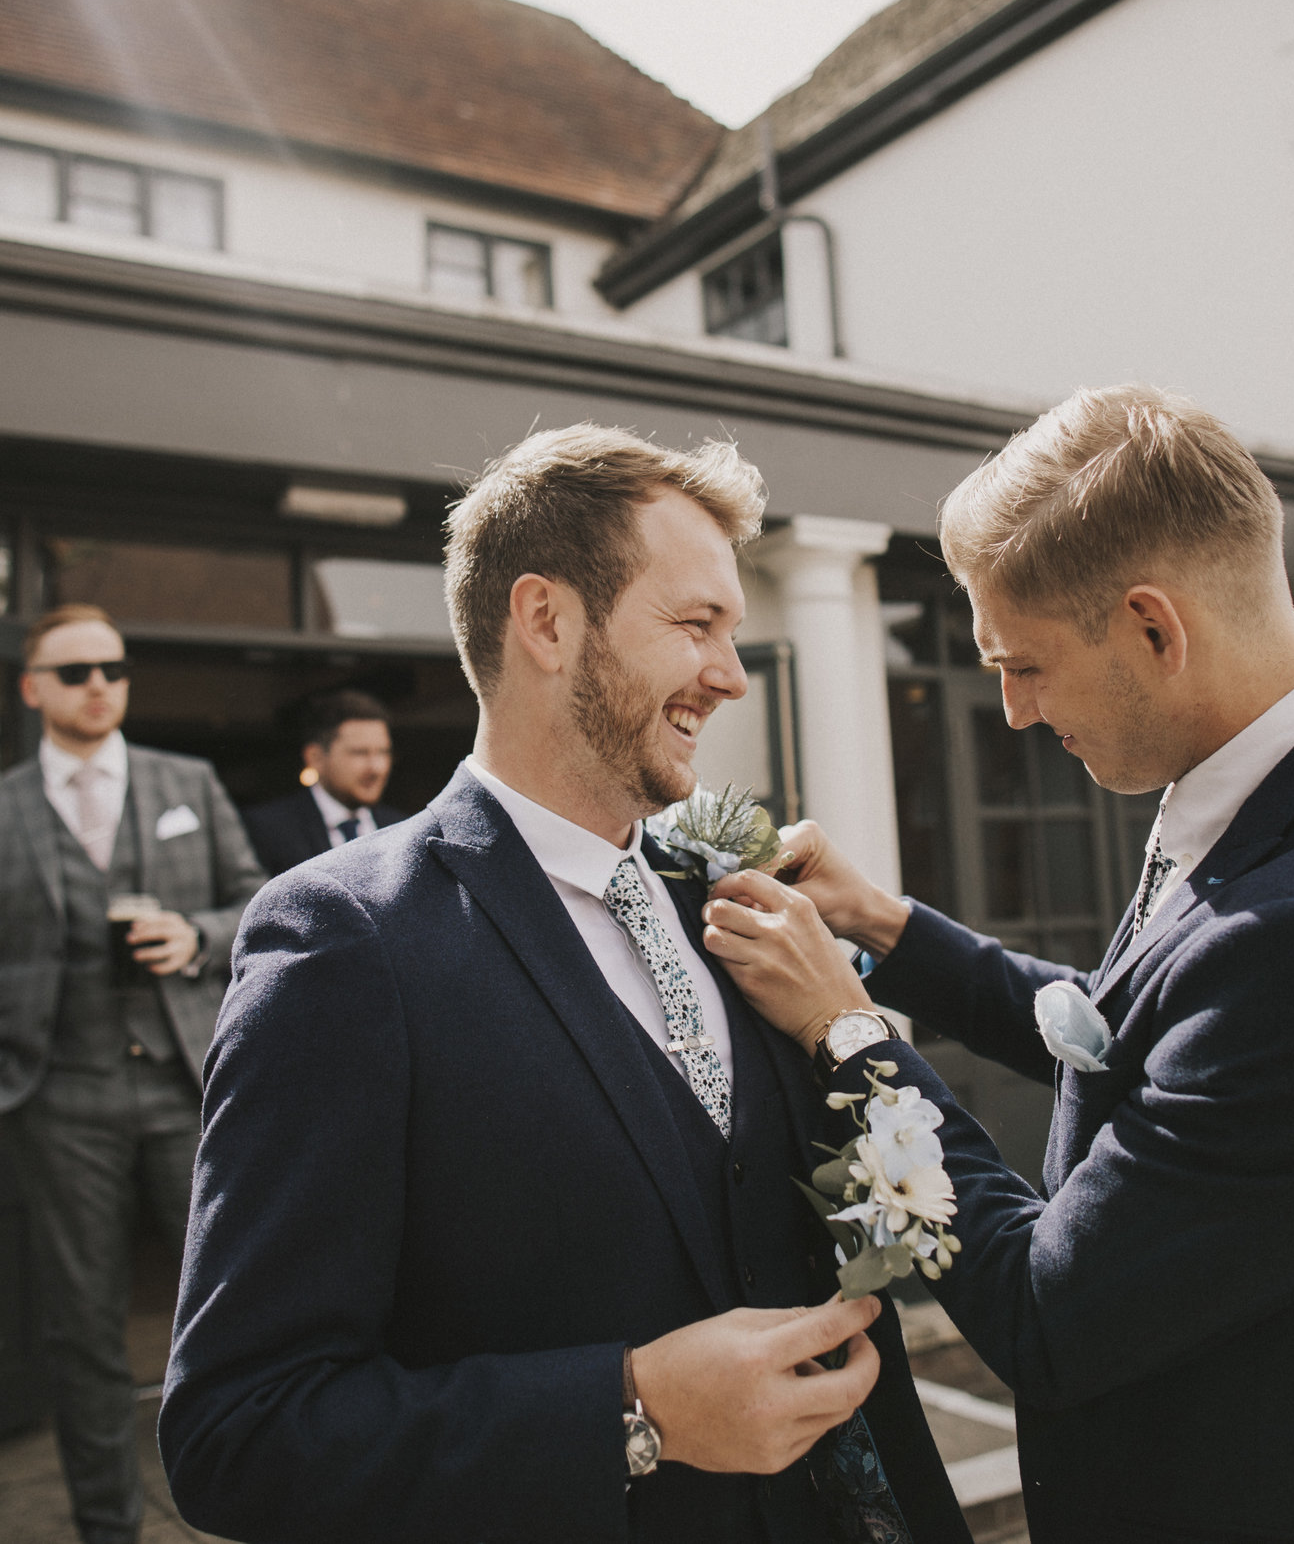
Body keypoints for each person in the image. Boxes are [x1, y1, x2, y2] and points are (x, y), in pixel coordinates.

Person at [702, 386, 1294, 1542]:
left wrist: (847, 1034)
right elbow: (1128, 1037)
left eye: (1026, 665)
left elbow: (1046, 1316)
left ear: (1155, 627)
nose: (1008, 710)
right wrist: (892, 929)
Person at [162, 426, 970, 1544]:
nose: (731, 674)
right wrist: (628, 1408)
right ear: (545, 619)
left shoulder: (739, 902)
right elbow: (236, 1433)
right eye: (694, 625)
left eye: (731, 631)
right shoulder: (346, 939)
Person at [0, 604, 263, 1544]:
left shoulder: (184, 779)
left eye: (112, 665)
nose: (99, 683)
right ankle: (111, 1527)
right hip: (58, 1095)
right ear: (32, 689)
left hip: (186, 1084)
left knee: (238, 1303)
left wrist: (195, 935)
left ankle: (251, 1500)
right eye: (74, 671)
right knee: (84, 1330)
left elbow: (257, 904)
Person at [239, 688, 406, 875]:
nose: (376, 768)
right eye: (359, 753)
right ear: (315, 757)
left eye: (384, 752)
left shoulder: (402, 829)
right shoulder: (269, 829)